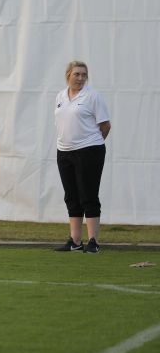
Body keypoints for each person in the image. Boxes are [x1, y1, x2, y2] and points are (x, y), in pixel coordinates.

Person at [54, 61, 111, 254]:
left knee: (88, 195)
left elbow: (105, 125)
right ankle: (75, 242)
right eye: (76, 74)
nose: (80, 78)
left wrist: (92, 144)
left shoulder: (93, 96)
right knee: (71, 196)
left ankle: (93, 241)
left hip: (89, 151)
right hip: (64, 151)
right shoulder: (60, 96)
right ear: (68, 75)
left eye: (83, 75)